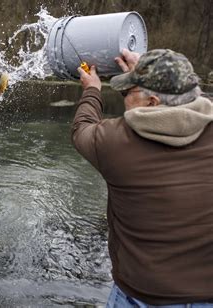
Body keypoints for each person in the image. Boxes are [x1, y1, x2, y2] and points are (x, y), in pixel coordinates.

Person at [72, 48, 213, 307]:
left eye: (130, 92)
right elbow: (190, 98)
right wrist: (148, 78)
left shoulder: (115, 142)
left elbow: (82, 128)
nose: (126, 97)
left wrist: (92, 89)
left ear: (152, 103)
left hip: (140, 298)